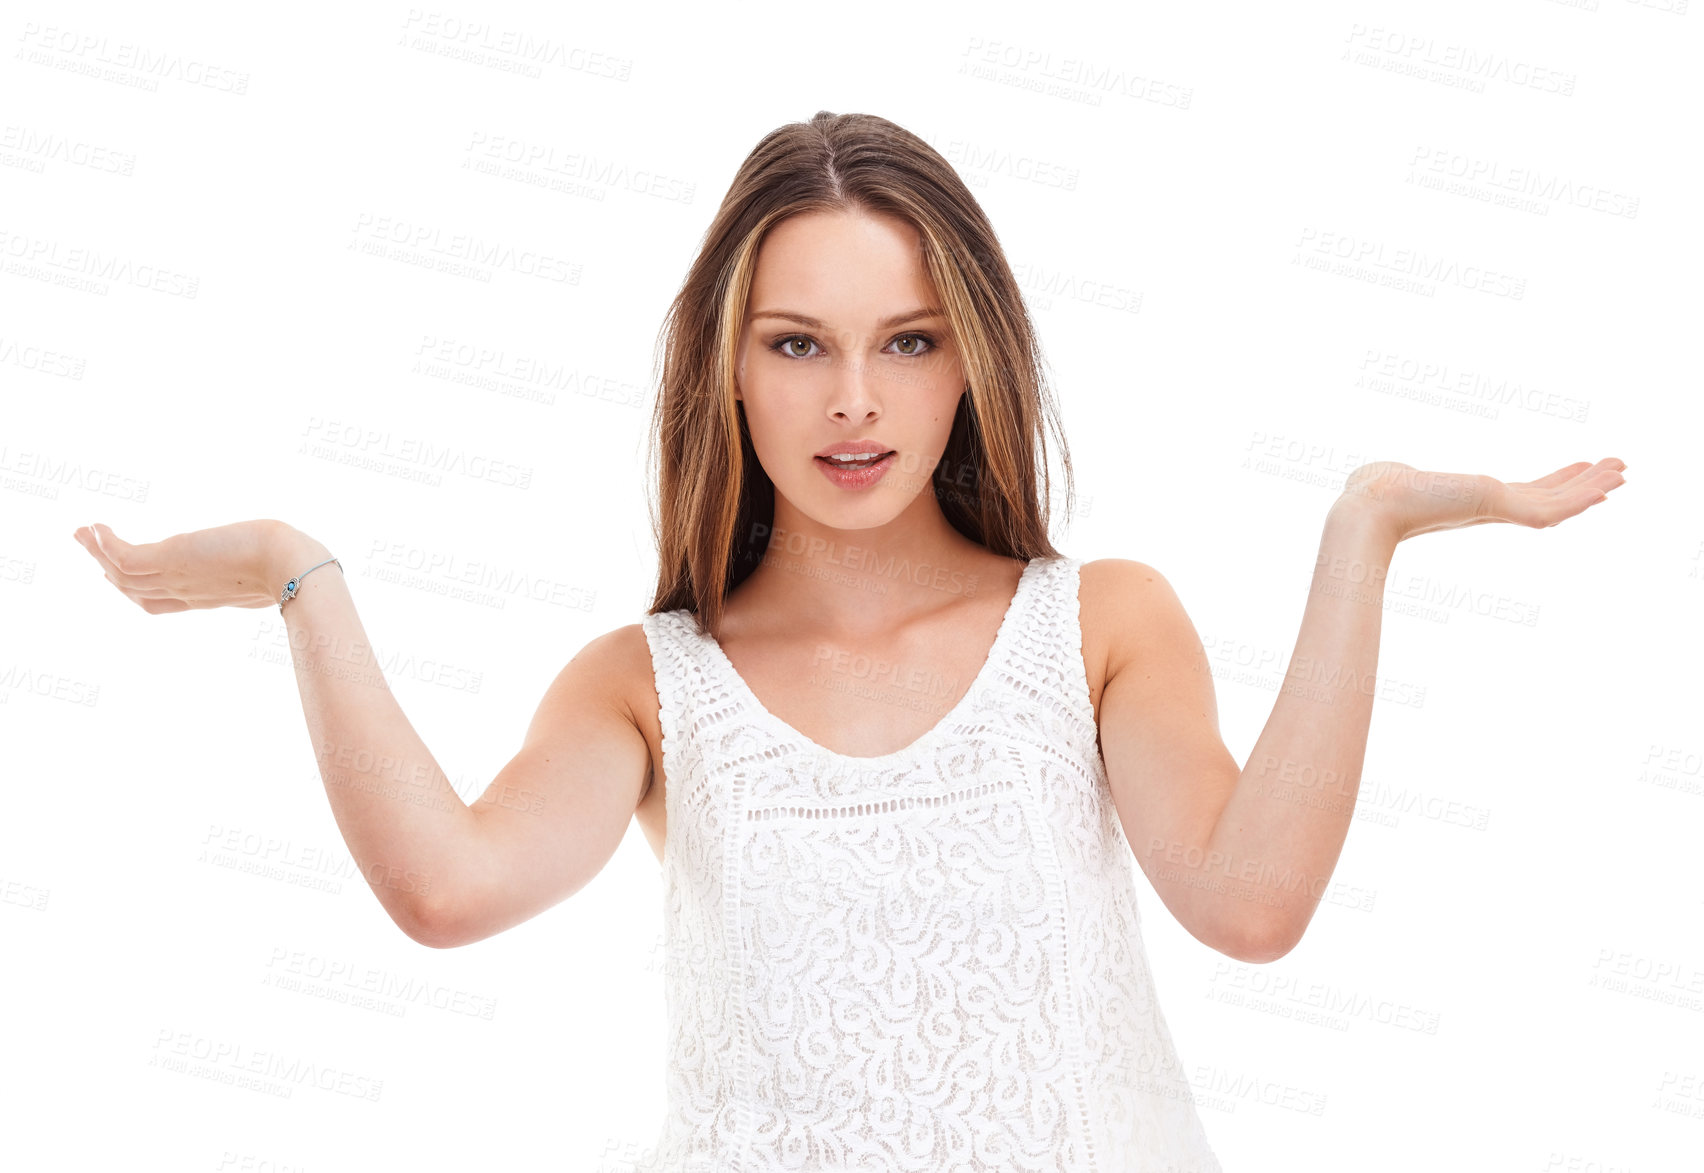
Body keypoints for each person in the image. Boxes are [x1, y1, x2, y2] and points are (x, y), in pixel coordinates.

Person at [73, 110, 1626, 1171]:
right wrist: (299, 576)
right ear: (730, 370)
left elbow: (1254, 900)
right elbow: (446, 885)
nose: (855, 403)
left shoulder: (1098, 625)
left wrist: (1363, 532)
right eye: (799, 344)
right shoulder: (649, 684)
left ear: (972, 362)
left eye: (907, 342)